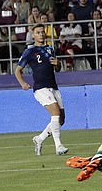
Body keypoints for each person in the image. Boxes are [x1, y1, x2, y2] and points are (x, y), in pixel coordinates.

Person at [15, 24, 69, 156]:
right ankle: (58, 146)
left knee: (61, 119)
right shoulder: (30, 51)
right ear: (33, 35)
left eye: (42, 32)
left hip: (53, 86)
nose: (41, 34)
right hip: (40, 88)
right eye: (38, 32)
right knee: (55, 113)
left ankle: (39, 139)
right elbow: (18, 70)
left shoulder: (50, 49)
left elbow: (57, 69)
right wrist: (22, 83)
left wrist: (59, 64)